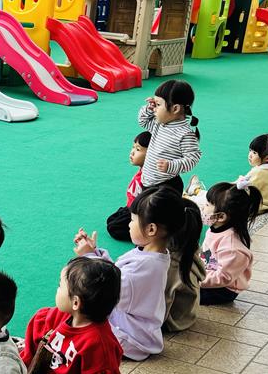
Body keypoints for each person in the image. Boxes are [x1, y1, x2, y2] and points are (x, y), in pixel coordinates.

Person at [76, 185, 198, 360]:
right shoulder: (155, 254)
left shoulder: (146, 265)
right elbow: (117, 274)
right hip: (137, 329)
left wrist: (88, 257)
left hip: (130, 338)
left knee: (78, 318)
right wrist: (94, 253)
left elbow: (108, 290)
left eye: (133, 220)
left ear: (151, 229)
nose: (129, 224)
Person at [19, 257, 127, 374]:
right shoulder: (62, 314)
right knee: (10, 346)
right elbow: (35, 340)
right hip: (45, 369)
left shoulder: (98, 346)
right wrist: (24, 363)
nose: (57, 289)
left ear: (76, 302)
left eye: (60, 286)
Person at [200, 180, 263, 305]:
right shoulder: (216, 229)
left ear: (221, 217)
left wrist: (196, 279)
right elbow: (207, 254)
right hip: (209, 275)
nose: (202, 208)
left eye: (207, 205)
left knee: (180, 293)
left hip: (222, 290)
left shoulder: (232, 247)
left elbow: (223, 277)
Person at [137, 79, 201, 193]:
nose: (154, 109)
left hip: (166, 185)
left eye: (158, 105)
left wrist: (171, 166)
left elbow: (192, 158)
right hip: (148, 182)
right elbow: (143, 121)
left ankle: (195, 193)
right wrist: (148, 108)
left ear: (175, 108)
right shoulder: (159, 125)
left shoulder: (185, 134)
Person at [163, 199, 205, 333]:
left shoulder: (171, 267)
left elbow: (163, 304)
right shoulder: (190, 250)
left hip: (173, 321)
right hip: (187, 315)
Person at [106, 131, 152, 242]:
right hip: (130, 207)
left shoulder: (149, 178)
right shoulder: (142, 170)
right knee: (111, 220)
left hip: (139, 213)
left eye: (138, 149)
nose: (132, 152)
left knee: (114, 228)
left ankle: (146, 235)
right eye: (133, 147)